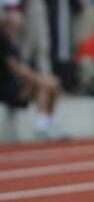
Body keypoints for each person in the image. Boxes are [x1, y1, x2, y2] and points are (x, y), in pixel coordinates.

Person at [0, 9, 64, 140]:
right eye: (13, 26)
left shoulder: (13, 43)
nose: (15, 30)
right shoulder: (3, 42)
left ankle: (48, 122)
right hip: (5, 88)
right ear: (5, 25)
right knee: (44, 86)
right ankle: (41, 127)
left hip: (16, 85)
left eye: (17, 27)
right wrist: (39, 79)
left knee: (54, 83)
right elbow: (14, 67)